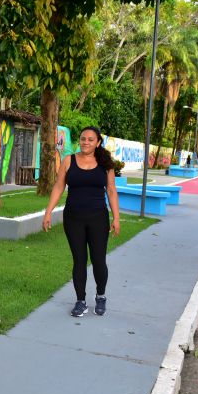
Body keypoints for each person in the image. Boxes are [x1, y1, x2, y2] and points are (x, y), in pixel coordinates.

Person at [43, 126, 121, 318]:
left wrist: (116, 218)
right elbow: (59, 185)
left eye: (90, 139)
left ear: (98, 142)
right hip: (73, 218)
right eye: (83, 139)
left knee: (98, 260)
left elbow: (111, 191)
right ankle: (81, 301)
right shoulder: (69, 160)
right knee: (79, 260)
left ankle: (101, 297)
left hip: (98, 218)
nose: (86, 142)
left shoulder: (105, 164)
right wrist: (48, 212)